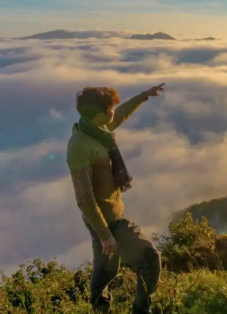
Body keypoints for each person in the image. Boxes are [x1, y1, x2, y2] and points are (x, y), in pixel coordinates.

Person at [66, 83, 165, 314]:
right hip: (107, 219)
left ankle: (100, 310)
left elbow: (119, 115)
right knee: (150, 259)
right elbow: (84, 198)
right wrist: (105, 235)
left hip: (105, 217)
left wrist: (144, 96)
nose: (114, 112)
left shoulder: (95, 129)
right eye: (110, 109)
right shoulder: (80, 147)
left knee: (106, 271)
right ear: (100, 115)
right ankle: (141, 311)